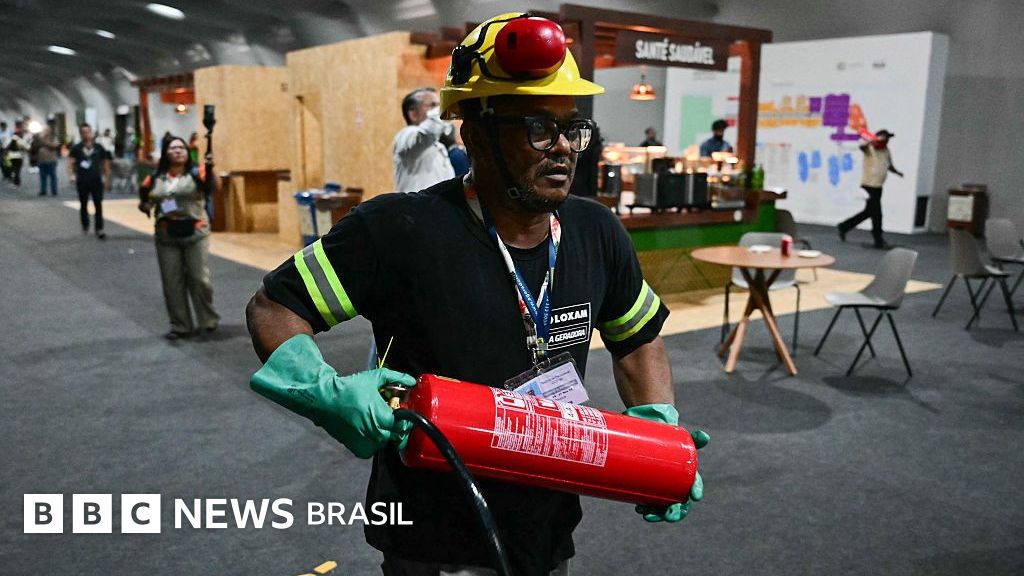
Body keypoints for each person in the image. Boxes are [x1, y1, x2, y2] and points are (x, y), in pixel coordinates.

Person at [245, 13, 707, 576]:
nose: (562, 148)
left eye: (571, 128)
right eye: (538, 127)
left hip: (548, 516)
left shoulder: (596, 232)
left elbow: (638, 339)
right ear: (475, 132)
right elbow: (274, 307)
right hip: (427, 526)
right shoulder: (399, 229)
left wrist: (656, 429)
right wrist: (326, 390)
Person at [138, 136, 222, 340]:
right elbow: (145, 199)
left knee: (199, 278)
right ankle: (180, 325)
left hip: (195, 232)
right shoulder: (156, 177)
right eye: (173, 148)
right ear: (166, 153)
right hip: (166, 234)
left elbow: (215, 187)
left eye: (181, 147)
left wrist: (211, 167)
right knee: (171, 282)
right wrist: (146, 206)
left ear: (187, 152)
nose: (178, 151)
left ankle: (207, 320)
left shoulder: (198, 172)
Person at [837, 129, 904, 249]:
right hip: (868, 186)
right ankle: (878, 240)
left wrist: (897, 172)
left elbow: (889, 165)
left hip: (878, 186)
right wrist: (873, 141)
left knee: (869, 212)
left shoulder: (886, 151)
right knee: (877, 213)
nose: (887, 140)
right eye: (885, 138)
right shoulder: (870, 149)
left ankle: (844, 226)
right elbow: (862, 147)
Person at [392, 87, 455, 192]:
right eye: (433, 105)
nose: (439, 109)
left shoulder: (438, 145)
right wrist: (448, 102)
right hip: (416, 207)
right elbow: (427, 135)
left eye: (439, 105)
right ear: (413, 113)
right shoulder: (405, 135)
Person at [67, 123, 111, 239]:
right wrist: (71, 175)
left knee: (98, 203)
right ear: (81, 134)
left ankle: (99, 228)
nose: (87, 134)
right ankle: (85, 224)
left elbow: (105, 163)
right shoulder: (76, 148)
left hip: (96, 179)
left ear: (92, 133)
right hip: (82, 180)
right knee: (83, 203)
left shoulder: (99, 148)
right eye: (84, 132)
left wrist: (106, 178)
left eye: (88, 132)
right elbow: (71, 162)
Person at [31, 127, 60, 196]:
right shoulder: (39, 139)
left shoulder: (53, 138)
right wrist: (35, 139)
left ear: (49, 131)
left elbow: (55, 146)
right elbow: (34, 147)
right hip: (42, 161)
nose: (45, 132)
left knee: (53, 177)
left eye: (46, 131)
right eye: (44, 131)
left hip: (51, 160)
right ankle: (43, 190)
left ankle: (54, 191)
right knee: (42, 177)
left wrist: (45, 142)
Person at [6, 123, 28, 187]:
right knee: (17, 170)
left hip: (11, 157)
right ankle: (17, 183)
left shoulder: (10, 140)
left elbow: (5, 147)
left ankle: (14, 182)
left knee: (13, 169)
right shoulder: (20, 140)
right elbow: (27, 147)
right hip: (19, 157)